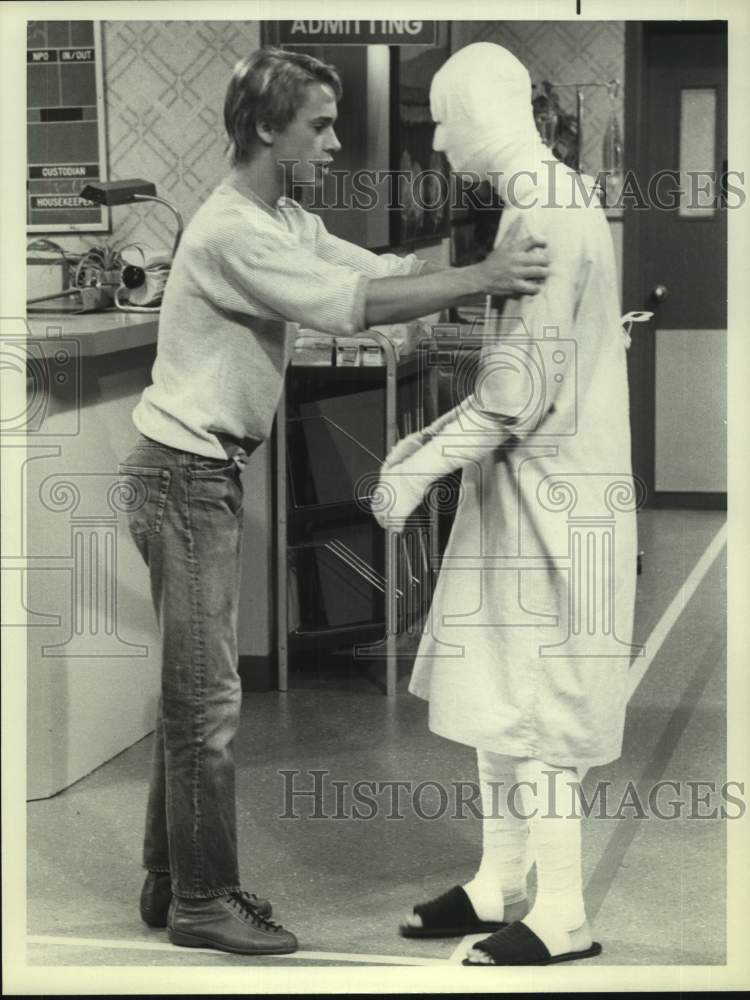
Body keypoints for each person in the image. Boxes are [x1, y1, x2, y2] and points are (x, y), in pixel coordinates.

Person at [118, 46, 550, 957]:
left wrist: (465, 282)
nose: (334, 142)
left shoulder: (282, 218)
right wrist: (484, 276)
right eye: (318, 125)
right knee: (208, 703)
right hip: (181, 475)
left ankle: (169, 882)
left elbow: (377, 271)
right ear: (264, 128)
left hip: (199, 475)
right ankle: (204, 900)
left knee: (193, 695)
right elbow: (351, 302)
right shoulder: (232, 231)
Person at [374, 42, 638, 965]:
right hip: (523, 494)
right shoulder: (537, 199)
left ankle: (562, 912)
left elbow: (518, 395)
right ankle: (500, 882)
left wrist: (418, 471)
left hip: (556, 504)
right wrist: (425, 446)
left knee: (541, 707)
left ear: (486, 111)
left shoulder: (551, 209)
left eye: (446, 120)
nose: (440, 142)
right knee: (498, 692)